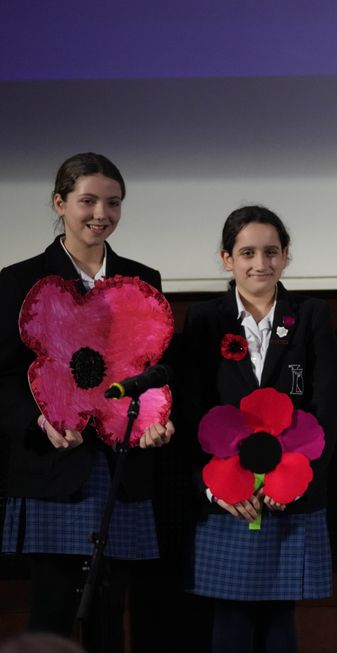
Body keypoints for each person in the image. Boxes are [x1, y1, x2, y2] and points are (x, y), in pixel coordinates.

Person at [0, 153, 174, 652]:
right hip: (54, 468)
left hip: (120, 468)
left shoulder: (142, 279)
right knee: (51, 613)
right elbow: (3, 379)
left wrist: (157, 421)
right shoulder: (20, 280)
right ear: (60, 203)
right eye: (88, 201)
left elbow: (151, 368)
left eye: (113, 203)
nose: (101, 214)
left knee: (110, 615)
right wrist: (38, 421)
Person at [180, 206, 337, 653]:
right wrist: (215, 490)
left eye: (271, 252)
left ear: (286, 255)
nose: (260, 263)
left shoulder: (311, 315)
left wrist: (294, 485)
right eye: (247, 253)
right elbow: (192, 412)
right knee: (230, 622)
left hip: (290, 496)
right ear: (226, 258)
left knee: (279, 621)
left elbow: (328, 410)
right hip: (227, 500)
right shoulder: (205, 318)